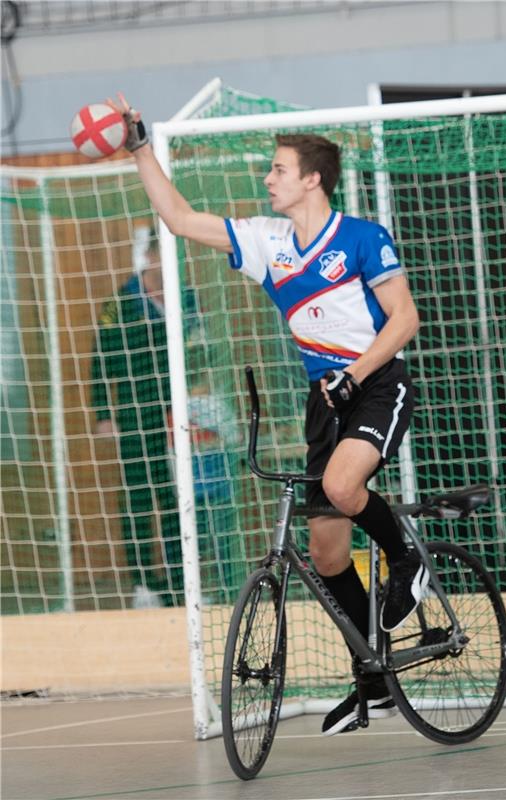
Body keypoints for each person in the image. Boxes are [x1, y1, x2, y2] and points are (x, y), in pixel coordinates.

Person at [112, 93, 424, 737]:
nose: (267, 179)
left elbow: (406, 320)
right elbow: (178, 218)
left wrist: (355, 374)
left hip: (375, 382)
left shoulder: (363, 238)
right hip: (324, 398)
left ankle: (408, 561)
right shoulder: (266, 241)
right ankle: (373, 674)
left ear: (311, 178)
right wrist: (141, 147)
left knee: (343, 486)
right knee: (327, 550)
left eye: (278, 170)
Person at [91, 231, 184, 608]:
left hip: (179, 414)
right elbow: (99, 361)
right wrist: (103, 414)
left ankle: (181, 581)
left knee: (177, 499)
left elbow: (201, 349)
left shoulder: (184, 297)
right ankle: (144, 584)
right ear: (146, 256)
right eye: (156, 253)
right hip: (134, 413)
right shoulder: (122, 301)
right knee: (138, 500)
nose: (162, 262)